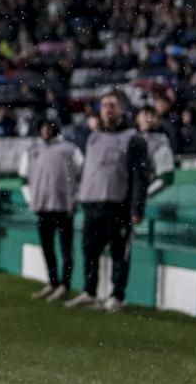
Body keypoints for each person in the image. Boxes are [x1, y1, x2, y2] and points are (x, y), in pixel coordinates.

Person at [65, 91, 149, 312]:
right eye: (103, 105)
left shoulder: (134, 138)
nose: (107, 109)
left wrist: (137, 208)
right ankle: (90, 292)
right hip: (92, 203)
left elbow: (140, 177)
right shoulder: (93, 137)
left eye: (112, 105)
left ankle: (116, 295)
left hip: (118, 203)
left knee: (119, 252)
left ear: (122, 109)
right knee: (89, 249)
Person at [19, 119, 83, 301]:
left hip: (64, 207)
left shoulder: (70, 149)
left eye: (49, 128)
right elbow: (23, 178)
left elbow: (82, 173)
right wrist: (32, 200)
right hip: (42, 207)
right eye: (43, 127)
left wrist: (75, 197)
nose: (45, 131)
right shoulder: (32, 151)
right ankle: (53, 282)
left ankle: (65, 284)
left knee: (66, 248)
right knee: (48, 248)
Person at [136, 106, 174, 196]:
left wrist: (143, 196)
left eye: (152, 115)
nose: (148, 118)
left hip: (144, 194)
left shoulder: (160, 143)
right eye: (145, 114)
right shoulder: (129, 137)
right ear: (137, 117)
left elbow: (167, 178)